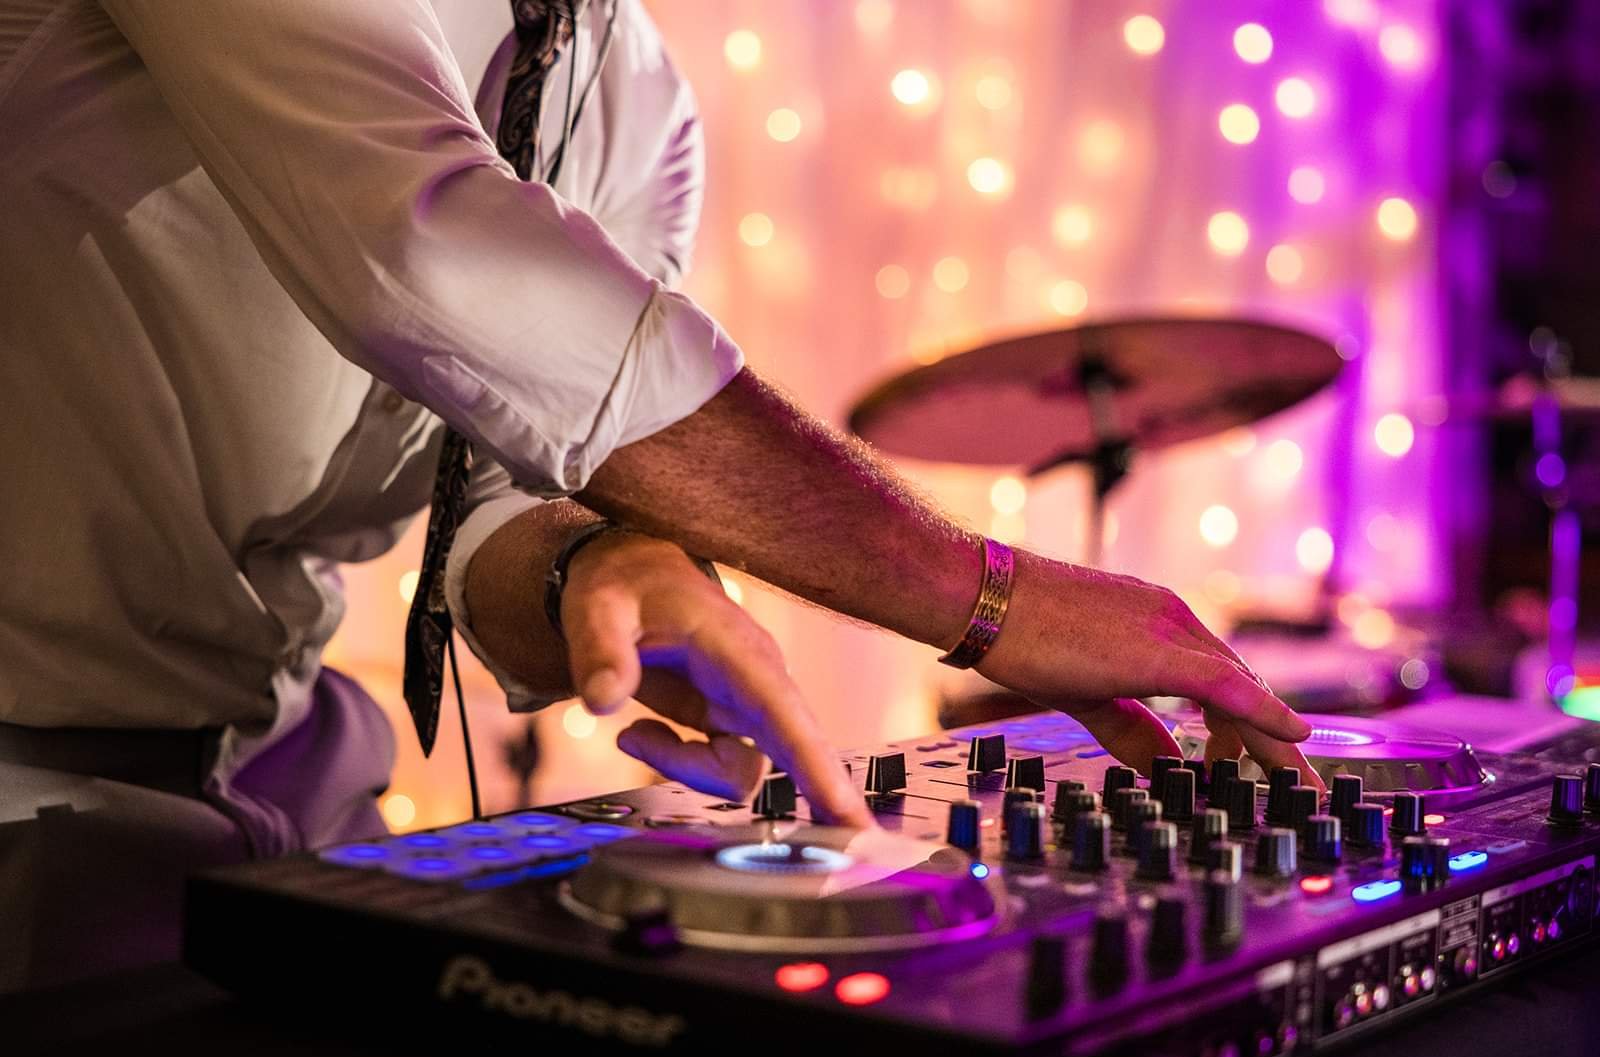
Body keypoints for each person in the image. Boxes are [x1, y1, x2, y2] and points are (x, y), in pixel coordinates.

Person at [0, 0, 1317, 990]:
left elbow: (497, 494)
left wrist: (591, 565)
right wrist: (988, 599)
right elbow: (421, 246)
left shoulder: (639, 103)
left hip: (297, 800)